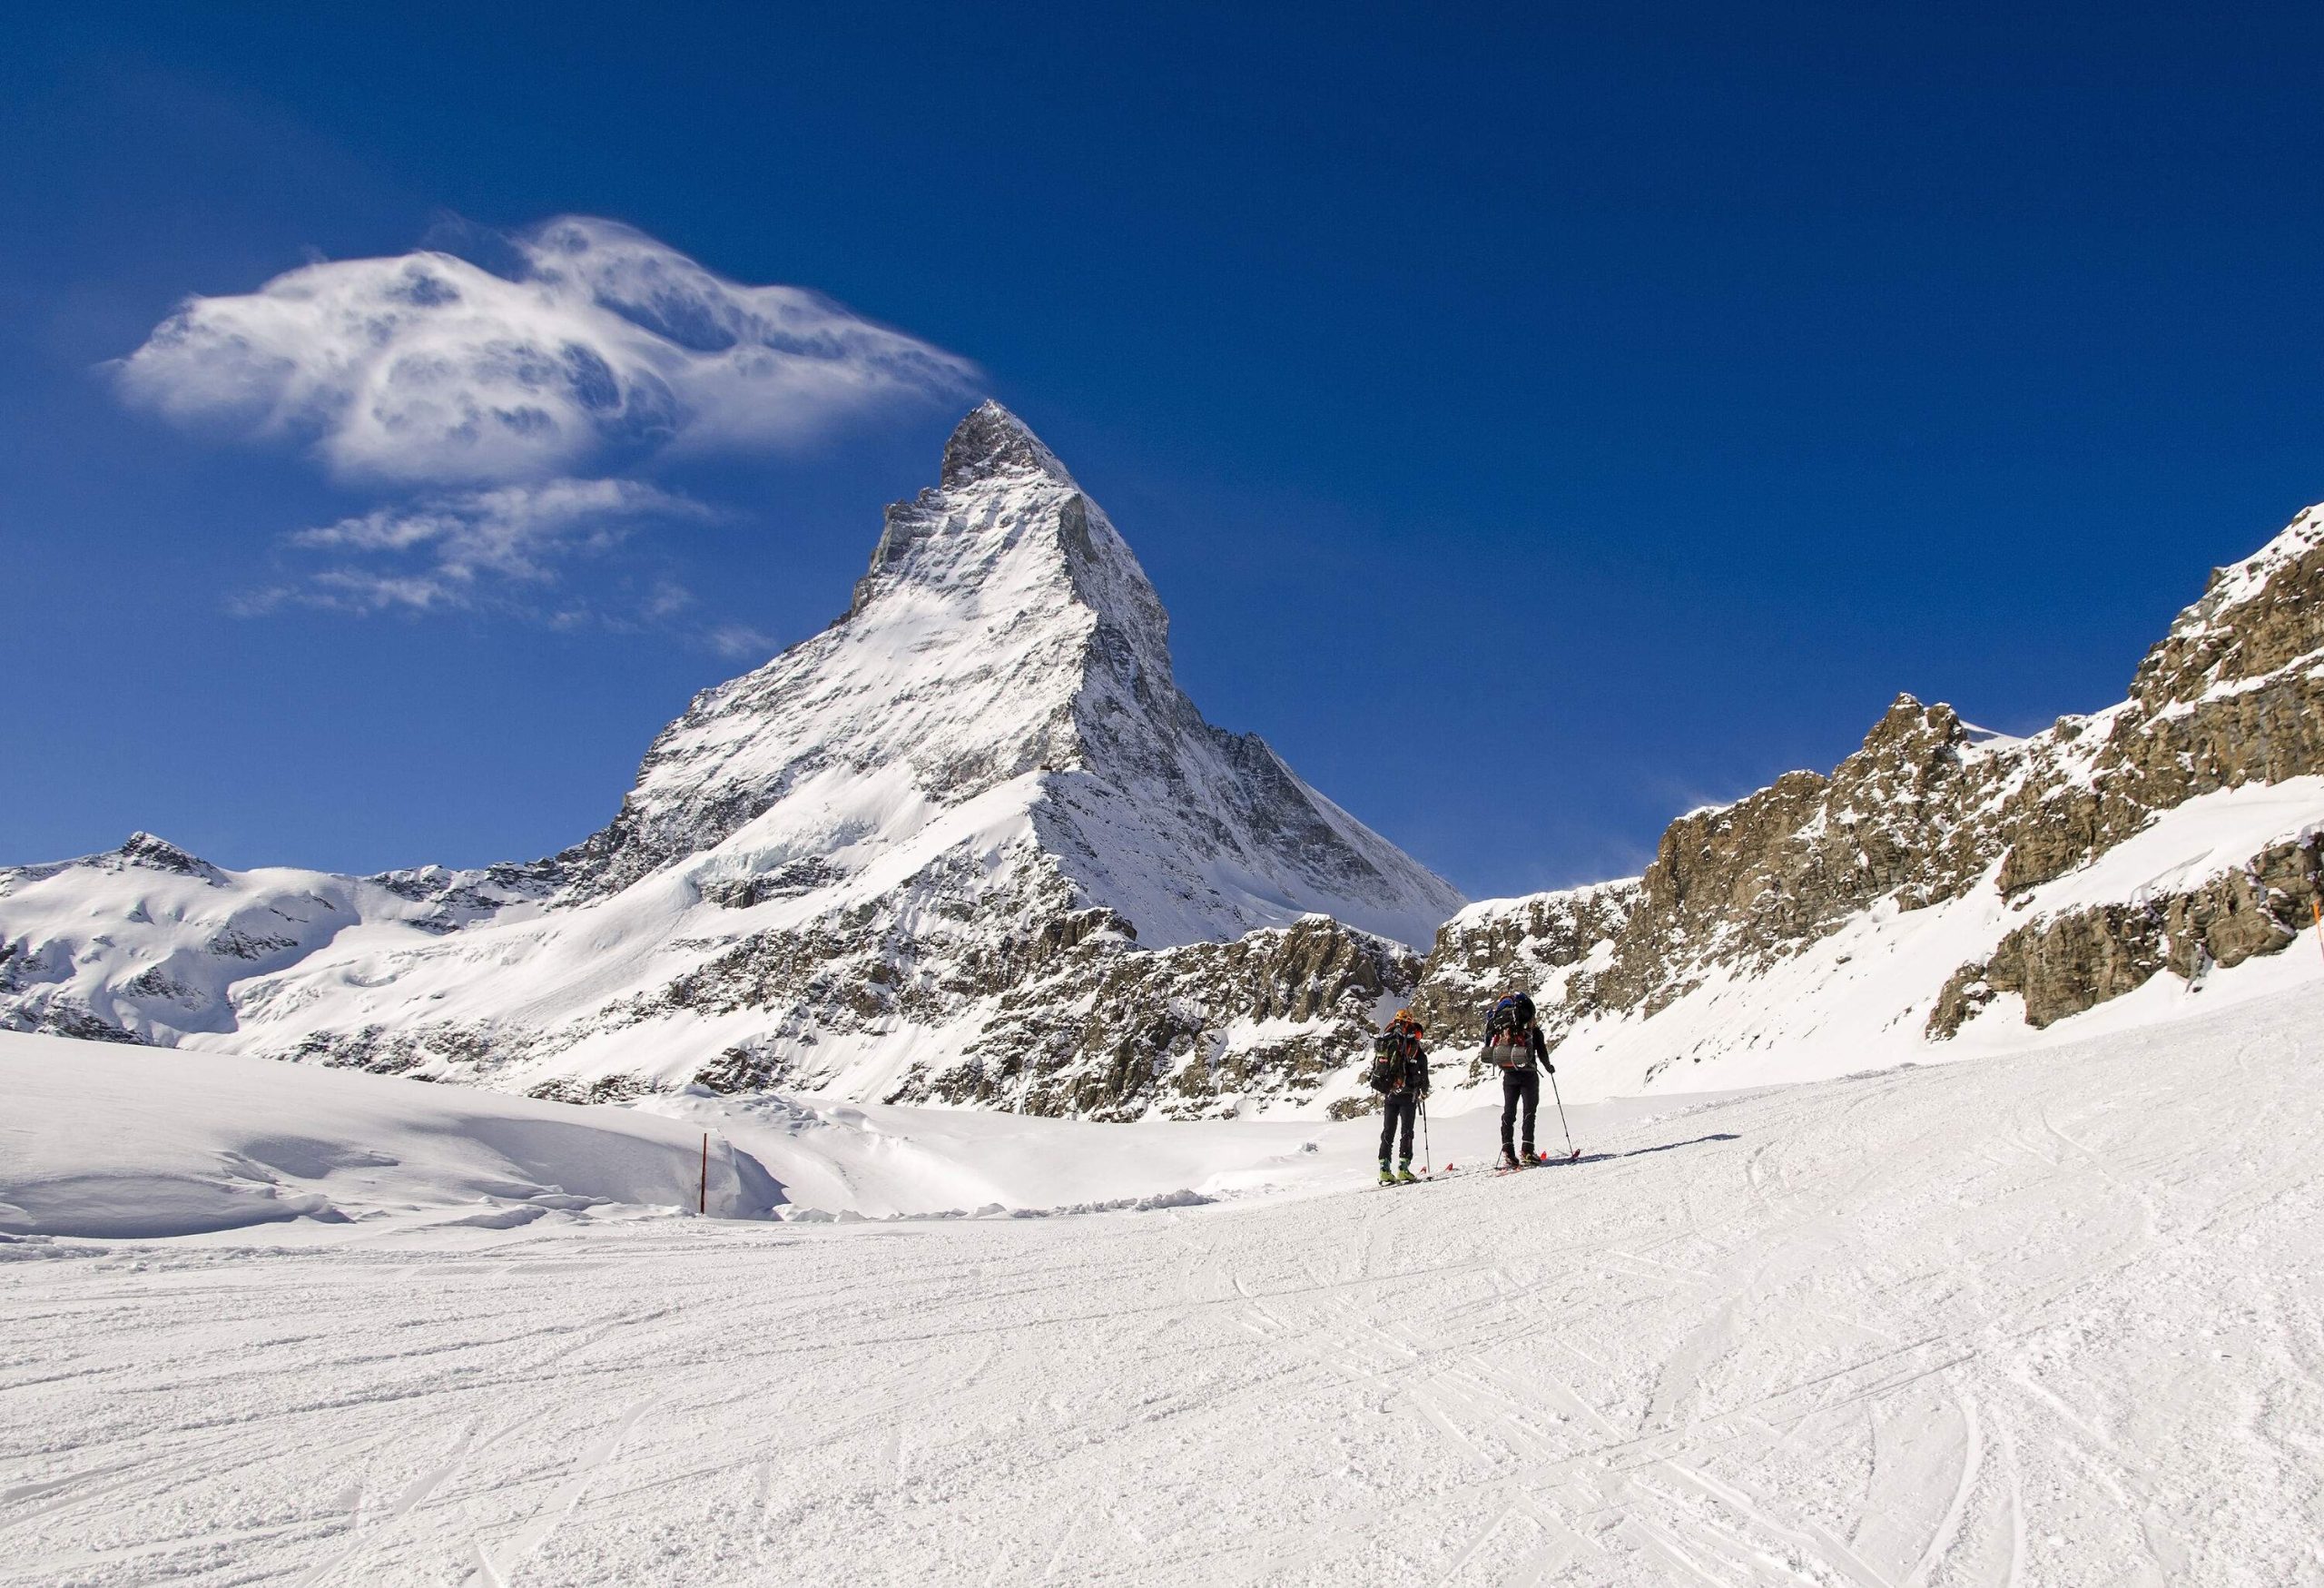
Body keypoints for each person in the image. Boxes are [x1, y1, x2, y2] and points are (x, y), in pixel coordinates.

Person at [1482, 990, 1551, 1169]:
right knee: (1529, 1112)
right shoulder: (1532, 1030)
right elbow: (1542, 1051)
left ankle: (1508, 1150)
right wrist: (1548, 1067)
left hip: (1509, 1075)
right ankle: (1527, 1150)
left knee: (1509, 1113)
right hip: (1528, 1074)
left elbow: (1489, 1043)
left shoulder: (1501, 1028)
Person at [1370, 1010, 1430, 1184]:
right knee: (1407, 1132)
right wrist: (1423, 1091)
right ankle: (1403, 1169)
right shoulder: (1414, 1047)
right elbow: (1424, 1075)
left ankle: (1384, 1170)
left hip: (1390, 1092)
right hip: (1408, 1094)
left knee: (1388, 1131)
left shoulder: (1387, 1041)